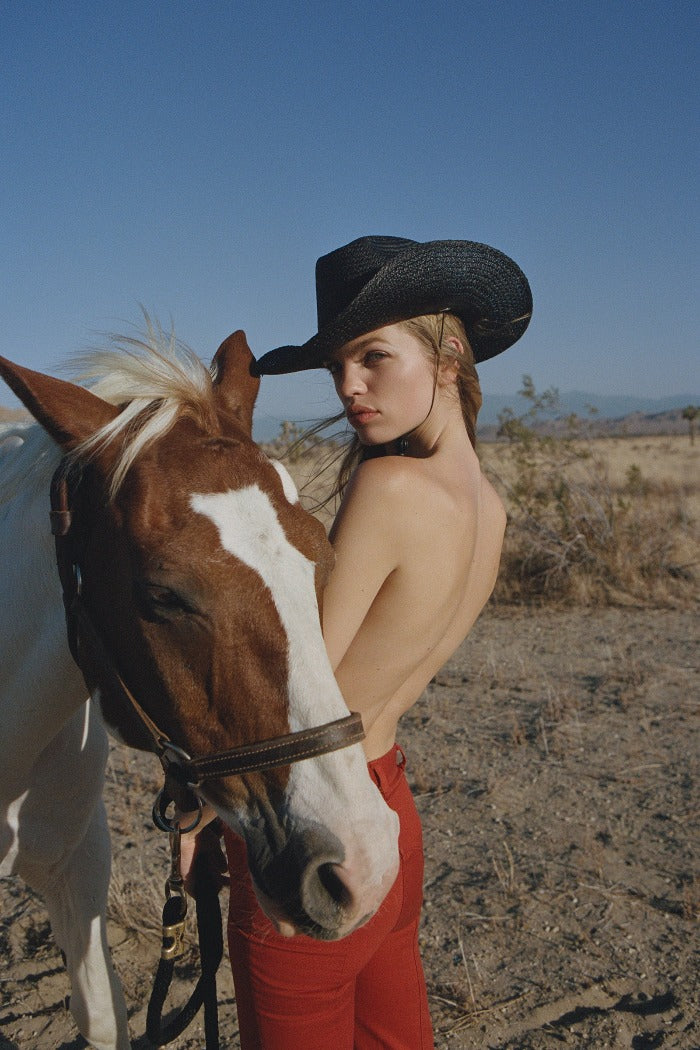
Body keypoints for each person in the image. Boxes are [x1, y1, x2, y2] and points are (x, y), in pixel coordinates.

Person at [183, 235, 532, 1049]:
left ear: (450, 354)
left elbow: (301, 677)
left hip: (317, 820)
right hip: (393, 814)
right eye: (339, 366)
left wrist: (205, 806)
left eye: (374, 357)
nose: (349, 387)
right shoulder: (489, 503)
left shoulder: (389, 485)